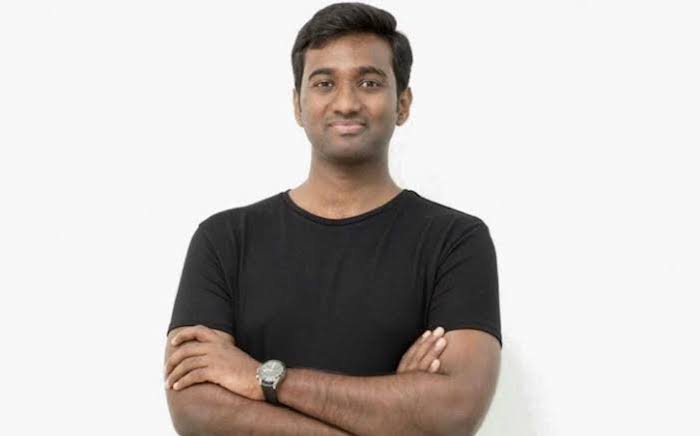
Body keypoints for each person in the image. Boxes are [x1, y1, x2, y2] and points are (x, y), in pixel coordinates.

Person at [163, 2, 502, 435]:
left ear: (402, 103)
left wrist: (264, 379)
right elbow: (196, 410)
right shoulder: (225, 240)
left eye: (369, 82)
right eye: (324, 83)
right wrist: (392, 413)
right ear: (297, 105)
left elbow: (453, 409)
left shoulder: (455, 241)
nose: (346, 102)